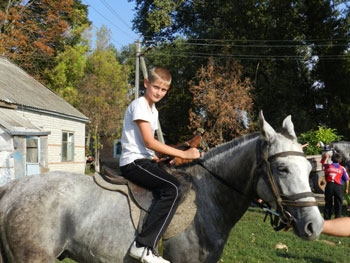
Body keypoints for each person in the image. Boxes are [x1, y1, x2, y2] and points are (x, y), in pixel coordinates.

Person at [119, 67, 200, 263]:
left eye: (163, 90)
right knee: (172, 188)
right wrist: (184, 153)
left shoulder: (152, 111)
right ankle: (142, 245)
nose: (159, 93)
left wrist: (158, 158)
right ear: (146, 83)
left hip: (145, 159)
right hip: (133, 162)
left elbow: (150, 146)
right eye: (156, 87)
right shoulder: (139, 105)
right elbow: (149, 141)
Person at [322, 152, 349, 219]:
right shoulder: (342, 168)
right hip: (338, 187)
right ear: (340, 160)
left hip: (329, 186)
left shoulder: (328, 166)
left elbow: (323, 165)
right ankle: (337, 218)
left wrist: (326, 157)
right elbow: (347, 180)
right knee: (338, 203)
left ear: (332, 159)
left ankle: (327, 219)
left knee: (328, 203)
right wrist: (346, 189)